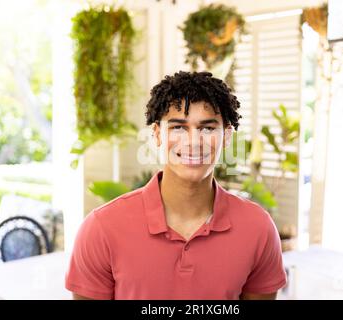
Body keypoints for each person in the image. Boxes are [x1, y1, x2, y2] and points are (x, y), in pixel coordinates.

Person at [65, 71, 287, 300]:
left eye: (208, 128)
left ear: (227, 136)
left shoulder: (258, 228)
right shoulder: (102, 228)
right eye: (178, 127)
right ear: (158, 134)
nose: (193, 142)